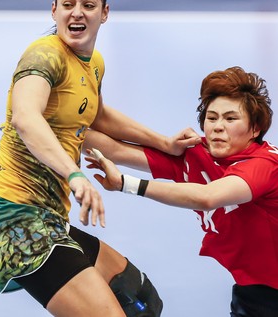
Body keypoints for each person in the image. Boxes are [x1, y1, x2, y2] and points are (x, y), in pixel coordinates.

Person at [0, 0, 189, 317]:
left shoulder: (93, 65)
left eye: (88, 4)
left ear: (104, 13)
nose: (77, 11)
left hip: (48, 218)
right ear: (54, 10)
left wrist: (164, 142)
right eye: (68, 3)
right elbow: (25, 117)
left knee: (139, 302)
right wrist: (74, 175)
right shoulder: (43, 57)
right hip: (13, 221)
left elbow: (98, 116)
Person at [84, 66, 278, 317]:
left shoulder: (265, 164)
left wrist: (125, 183)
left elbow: (208, 197)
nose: (218, 127)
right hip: (254, 292)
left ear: (255, 129)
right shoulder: (196, 156)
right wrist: (51, 123)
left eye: (230, 119)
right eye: (212, 118)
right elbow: (113, 149)